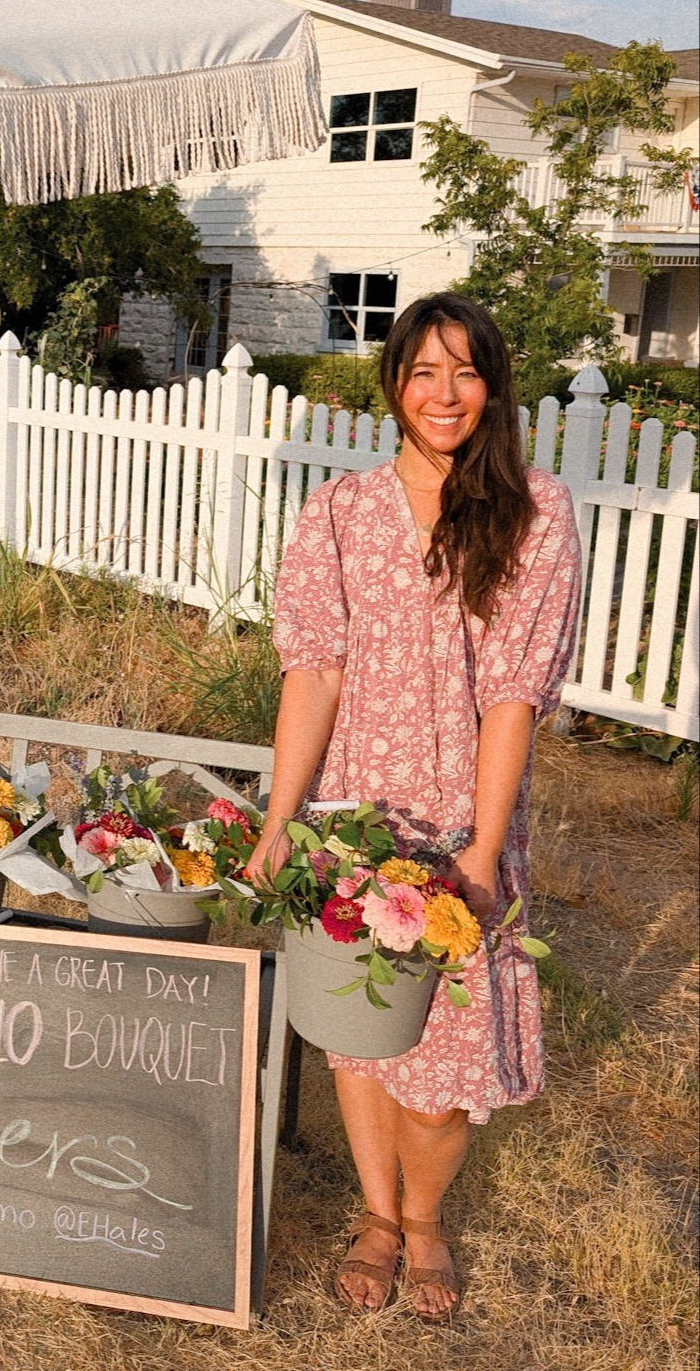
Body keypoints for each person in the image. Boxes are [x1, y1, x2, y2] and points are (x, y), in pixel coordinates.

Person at [247, 293, 582, 1318]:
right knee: (361, 1028)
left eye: (465, 372)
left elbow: (515, 690)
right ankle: (378, 1214)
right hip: (356, 811)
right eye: (424, 371)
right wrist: (278, 821)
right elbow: (313, 672)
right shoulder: (340, 513)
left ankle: (426, 1214)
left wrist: (482, 848)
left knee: (442, 1065)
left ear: (492, 387)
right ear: (392, 381)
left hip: (458, 815)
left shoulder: (535, 508)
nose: (444, 393)